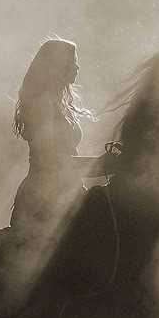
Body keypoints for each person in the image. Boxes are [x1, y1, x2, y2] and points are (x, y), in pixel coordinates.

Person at [10, 37, 117, 239]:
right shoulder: (43, 105)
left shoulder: (63, 106)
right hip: (42, 197)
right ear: (57, 66)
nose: (77, 67)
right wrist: (98, 163)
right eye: (73, 61)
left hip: (67, 191)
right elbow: (47, 160)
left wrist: (106, 164)